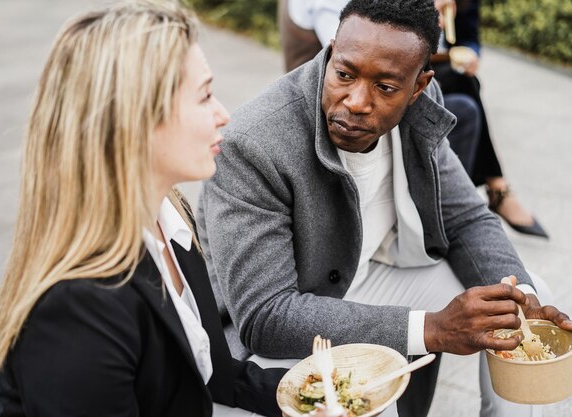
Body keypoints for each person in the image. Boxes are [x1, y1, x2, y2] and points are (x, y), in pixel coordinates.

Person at [197, 1, 571, 417]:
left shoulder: (422, 106)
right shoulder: (256, 143)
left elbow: (465, 217)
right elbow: (266, 317)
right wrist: (431, 329)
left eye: (386, 88)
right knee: (366, 397)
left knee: (519, 301)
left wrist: (525, 303)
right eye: (344, 73)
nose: (357, 101)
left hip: (367, 278)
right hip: (273, 337)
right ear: (332, 50)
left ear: (418, 87)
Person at [0, 2, 286, 416]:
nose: (223, 115)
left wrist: (310, 393)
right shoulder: (77, 308)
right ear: (137, 122)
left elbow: (209, 374)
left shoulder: (170, 215)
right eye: (205, 96)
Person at [279, 0, 547, 239]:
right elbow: (363, 56)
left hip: (378, 77)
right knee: (462, 110)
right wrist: (428, 16)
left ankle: (462, 202)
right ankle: (474, 197)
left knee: (464, 89)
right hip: (330, 95)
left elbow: (451, 42)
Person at [432, 0, 548, 238]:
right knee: (466, 88)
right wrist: (426, 11)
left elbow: (469, 39)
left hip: (445, 67)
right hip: (411, 61)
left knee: (467, 86)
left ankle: (481, 195)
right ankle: (496, 187)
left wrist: (471, 55)